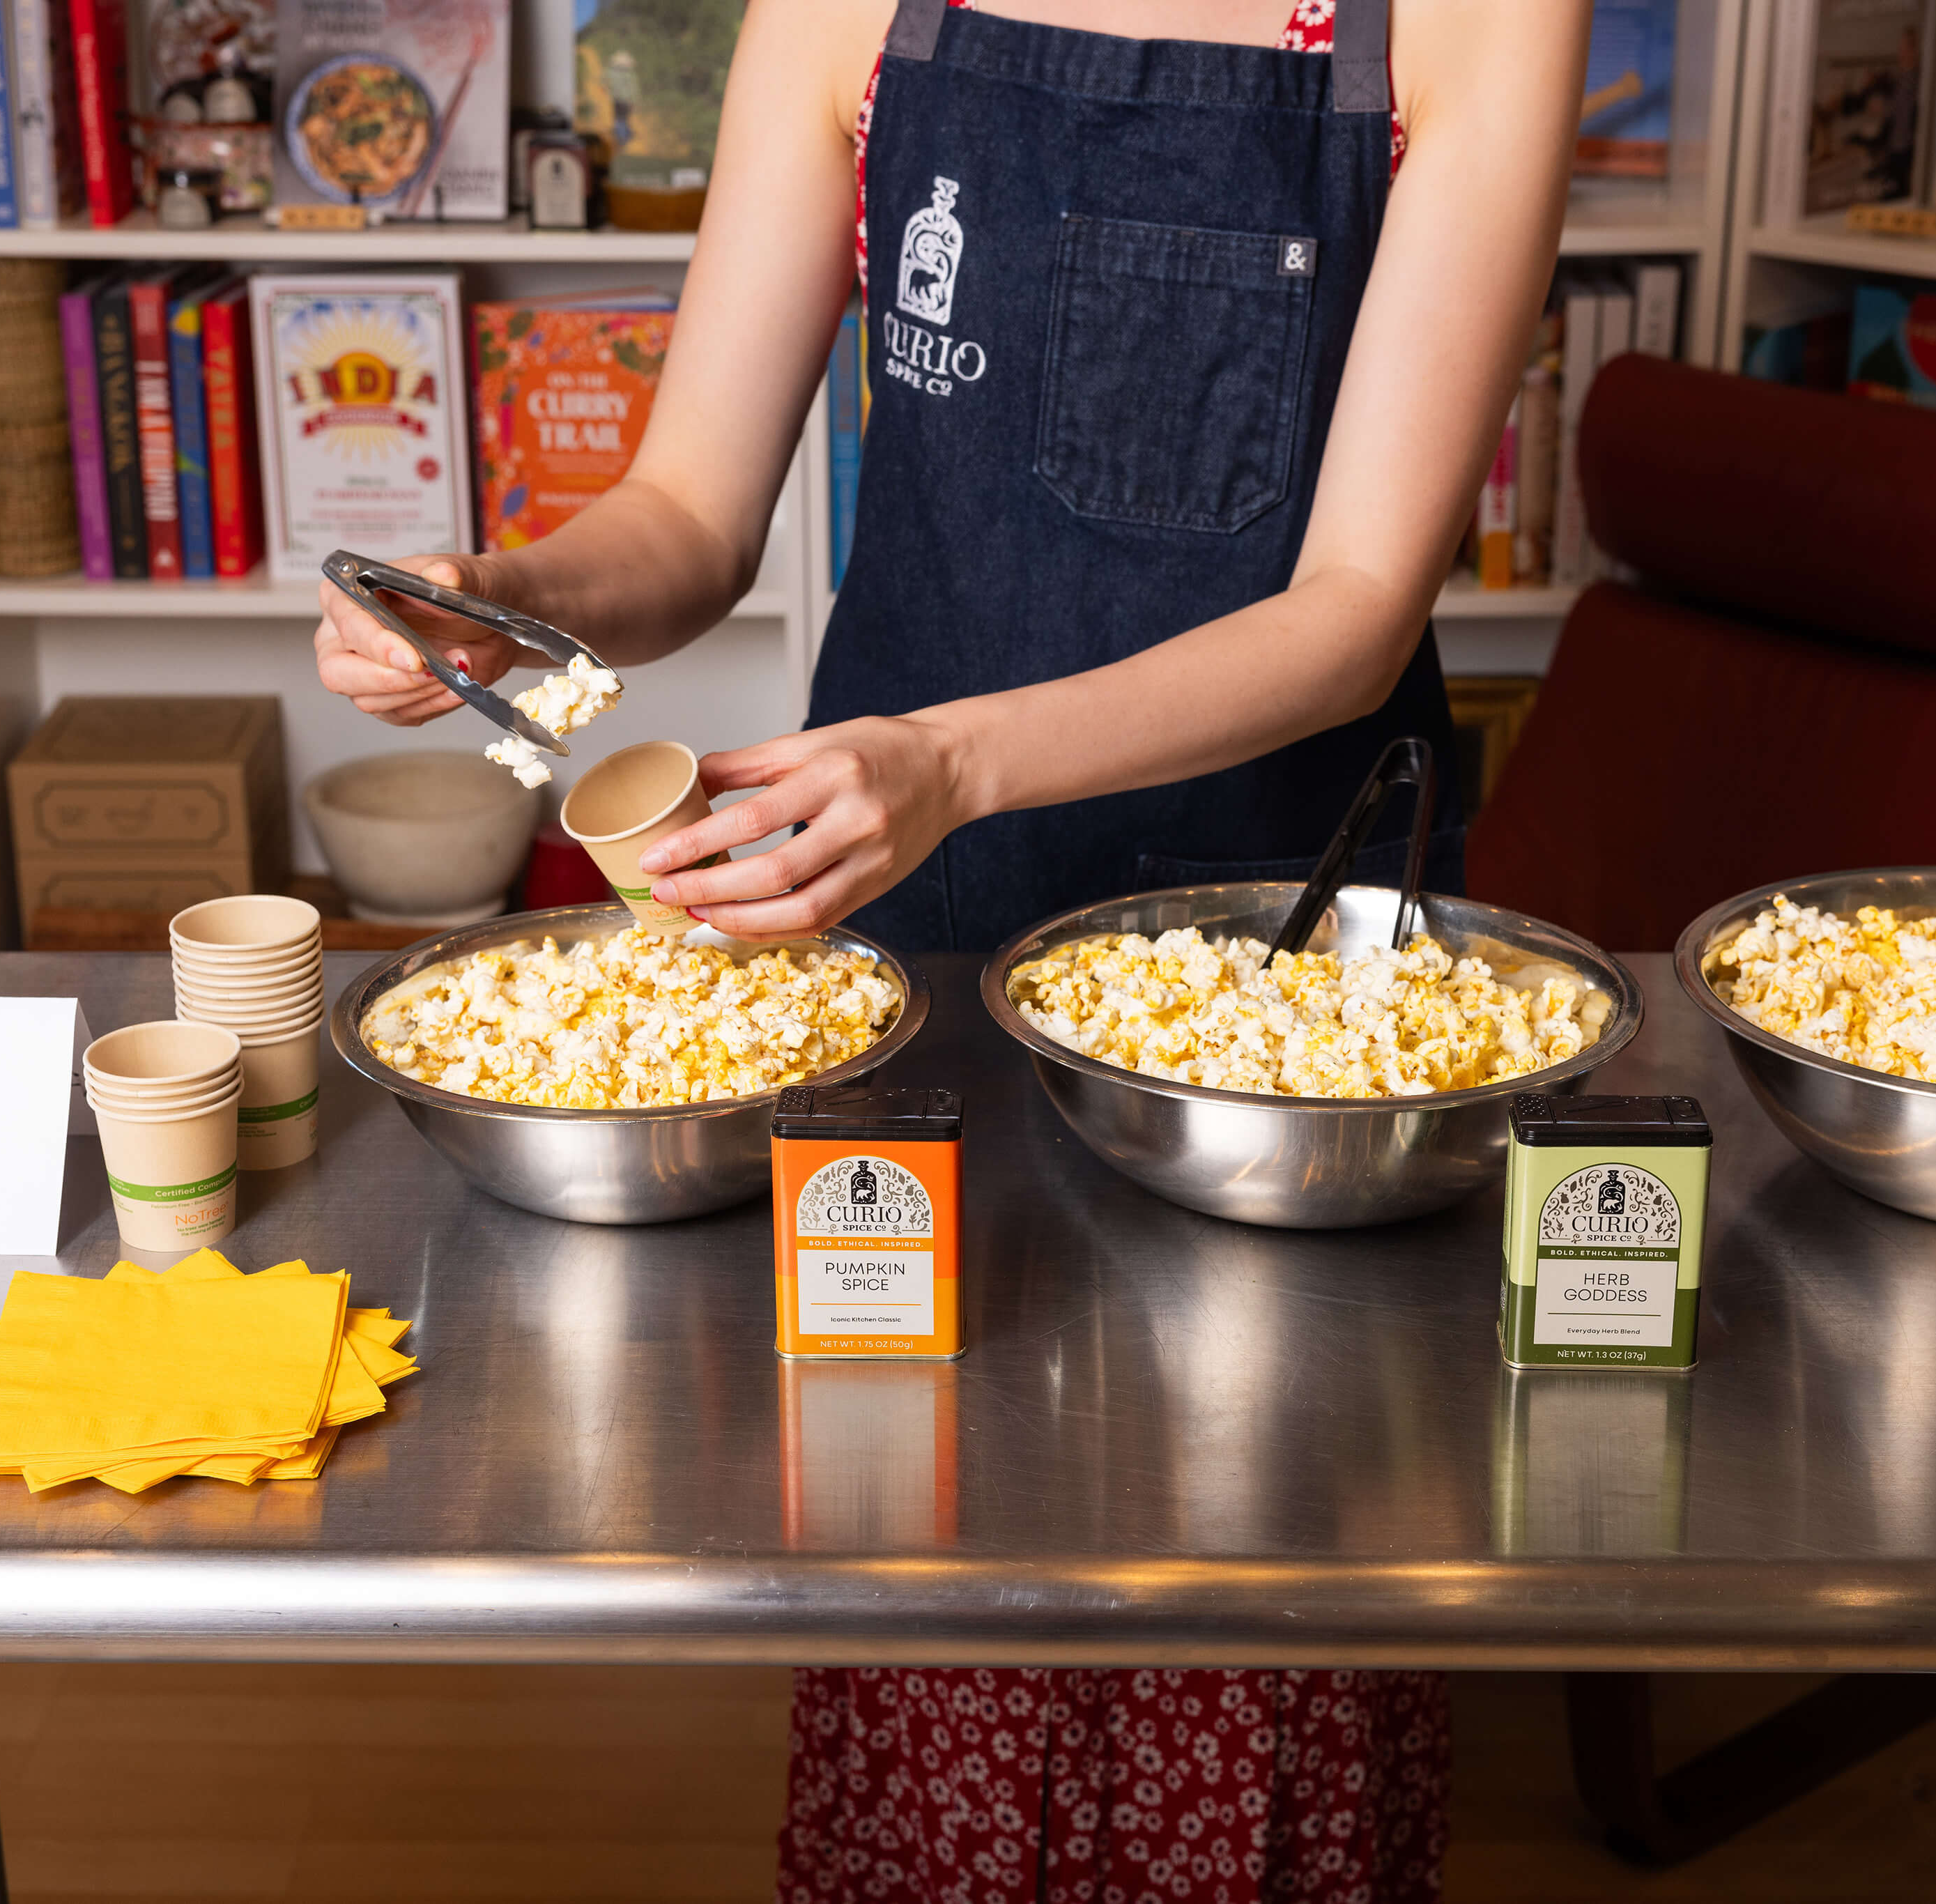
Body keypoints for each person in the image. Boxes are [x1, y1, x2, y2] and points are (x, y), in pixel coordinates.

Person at [316, 0, 1587, 1889]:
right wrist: (516, 598)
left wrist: (955, 757)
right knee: (928, 1568)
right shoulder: (848, 12)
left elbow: (1351, 606)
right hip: (906, 961)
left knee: (1267, 1608)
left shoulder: (1467, 21)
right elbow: (685, 513)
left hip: (1285, 992)